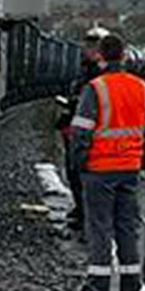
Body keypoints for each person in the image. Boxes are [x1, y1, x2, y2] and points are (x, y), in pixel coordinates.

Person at [64, 32, 145, 291]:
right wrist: (143, 161)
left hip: (99, 171)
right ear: (125, 55)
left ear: (101, 57)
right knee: (127, 231)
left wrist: (80, 164)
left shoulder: (96, 88)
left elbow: (80, 132)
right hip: (129, 170)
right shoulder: (143, 89)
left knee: (100, 231)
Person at [56, 27, 107, 232]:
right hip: (76, 131)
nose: (89, 49)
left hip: (90, 135)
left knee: (85, 176)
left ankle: (87, 217)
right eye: (88, 44)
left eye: (94, 45)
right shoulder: (84, 71)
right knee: (74, 173)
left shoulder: (102, 73)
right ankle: (81, 211)